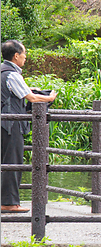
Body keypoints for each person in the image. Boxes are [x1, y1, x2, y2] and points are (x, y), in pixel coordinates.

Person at [1, 40, 57, 213]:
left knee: (6, 162)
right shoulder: (12, 74)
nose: (25, 58)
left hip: (4, 123)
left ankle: (8, 201)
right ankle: (9, 203)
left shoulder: (3, 72)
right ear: (16, 55)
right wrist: (49, 98)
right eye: (24, 54)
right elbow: (31, 98)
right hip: (11, 124)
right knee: (13, 161)